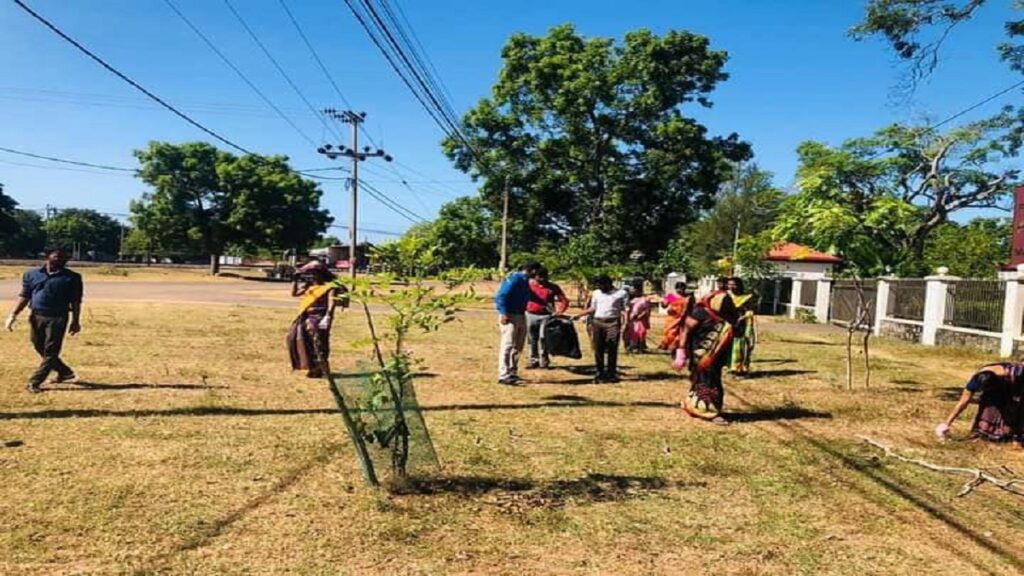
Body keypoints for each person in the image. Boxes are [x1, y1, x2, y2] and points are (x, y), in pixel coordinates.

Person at [5, 246, 83, 393]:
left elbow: (76, 301)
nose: (60, 259)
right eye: (56, 256)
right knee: (38, 345)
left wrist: (76, 321)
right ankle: (65, 372)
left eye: (64, 257)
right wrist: (13, 315)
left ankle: (34, 382)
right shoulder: (31, 275)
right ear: (47, 257)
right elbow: (24, 296)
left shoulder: (72, 278)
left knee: (51, 351)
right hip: (36, 316)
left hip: (57, 317)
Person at [670, 298, 734, 425]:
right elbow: (685, 330)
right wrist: (681, 350)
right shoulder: (700, 312)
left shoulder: (727, 315)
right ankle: (709, 412)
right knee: (708, 382)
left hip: (717, 356)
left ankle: (694, 406)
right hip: (702, 355)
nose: (726, 305)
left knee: (706, 380)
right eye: (723, 302)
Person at [287, 260, 347, 378]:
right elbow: (294, 294)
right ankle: (310, 366)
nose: (313, 275)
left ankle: (321, 368)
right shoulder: (310, 285)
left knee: (318, 342)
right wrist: (295, 280)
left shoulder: (329, 287)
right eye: (311, 273)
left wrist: (328, 316)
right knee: (299, 339)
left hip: (320, 317)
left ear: (322, 274)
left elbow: (331, 302)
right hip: (306, 316)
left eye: (315, 273)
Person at [936, 364, 1024, 442]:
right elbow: (963, 402)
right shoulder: (974, 382)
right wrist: (947, 423)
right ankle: (988, 431)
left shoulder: (1012, 373)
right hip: (1000, 384)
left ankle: (1014, 432)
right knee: (989, 404)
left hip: (1015, 383)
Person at [574, 274, 629, 383]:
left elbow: (624, 310)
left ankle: (611, 372)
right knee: (598, 348)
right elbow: (593, 308)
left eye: (602, 285)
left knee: (612, 346)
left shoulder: (621, 294)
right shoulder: (596, 293)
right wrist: (579, 315)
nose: (600, 287)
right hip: (598, 322)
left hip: (613, 322)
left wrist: (625, 324)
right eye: (599, 285)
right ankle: (599, 372)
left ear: (608, 284)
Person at [494, 262, 541, 385]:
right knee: (508, 344)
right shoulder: (515, 278)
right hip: (510, 315)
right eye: (536, 271)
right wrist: (503, 313)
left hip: (521, 314)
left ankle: (512, 372)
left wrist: (543, 303)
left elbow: (529, 294)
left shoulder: (525, 281)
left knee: (518, 345)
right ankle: (503, 375)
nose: (537, 275)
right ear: (531, 270)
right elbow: (501, 296)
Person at [525, 266, 569, 369]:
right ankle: (533, 360)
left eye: (544, 277)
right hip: (530, 314)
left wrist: (560, 311)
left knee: (544, 338)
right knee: (532, 339)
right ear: (535, 277)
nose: (542, 279)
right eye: (539, 277)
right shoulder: (529, 286)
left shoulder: (553, 287)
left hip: (546, 316)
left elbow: (564, 300)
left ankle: (544, 359)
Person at [727, 277, 757, 376]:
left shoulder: (747, 298)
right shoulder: (727, 296)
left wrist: (742, 318)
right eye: (729, 284)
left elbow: (750, 311)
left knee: (741, 346)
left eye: (734, 284)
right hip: (729, 324)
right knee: (729, 346)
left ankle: (741, 368)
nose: (731, 287)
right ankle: (731, 367)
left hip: (742, 325)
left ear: (740, 285)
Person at [658, 282, 691, 351]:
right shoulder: (672, 296)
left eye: (681, 289)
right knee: (669, 332)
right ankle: (665, 344)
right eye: (678, 289)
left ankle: (674, 346)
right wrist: (662, 301)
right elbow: (664, 306)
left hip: (681, 318)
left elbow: (688, 309)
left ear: (684, 289)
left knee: (678, 333)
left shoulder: (687, 298)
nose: (679, 290)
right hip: (671, 318)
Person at [624, 281, 652, 353]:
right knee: (629, 333)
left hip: (640, 320)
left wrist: (639, 316)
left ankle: (638, 347)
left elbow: (647, 310)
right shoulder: (630, 299)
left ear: (637, 289)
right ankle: (631, 346)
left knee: (639, 332)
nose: (631, 290)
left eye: (632, 288)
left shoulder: (645, 299)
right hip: (631, 320)